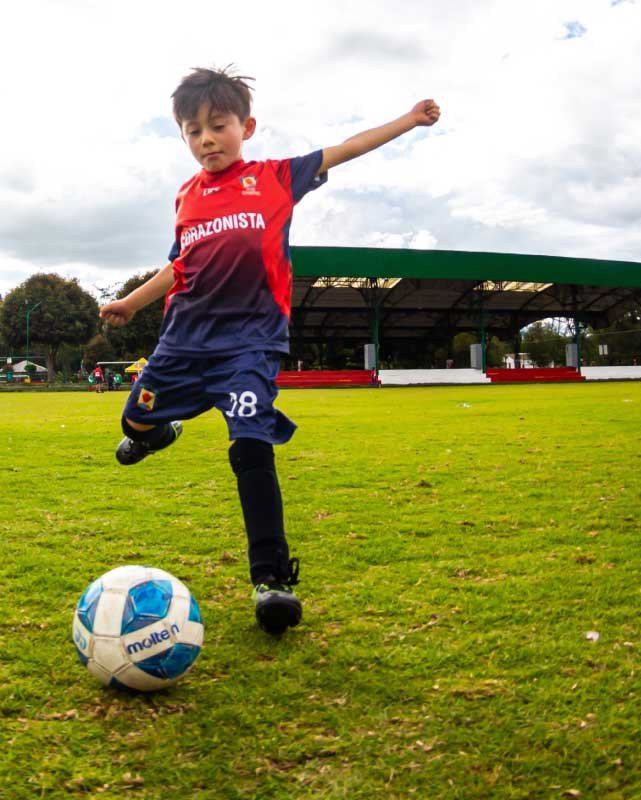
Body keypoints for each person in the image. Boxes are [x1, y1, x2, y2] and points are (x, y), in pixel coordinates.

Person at [99, 66, 439, 635]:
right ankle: (159, 431)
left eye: (218, 125)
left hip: (249, 346)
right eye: (193, 130)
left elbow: (347, 148)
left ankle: (272, 580)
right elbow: (180, 266)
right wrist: (131, 303)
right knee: (131, 425)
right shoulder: (185, 197)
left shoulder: (277, 178)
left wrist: (409, 119)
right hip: (183, 343)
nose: (206, 139)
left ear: (246, 126)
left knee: (250, 448)